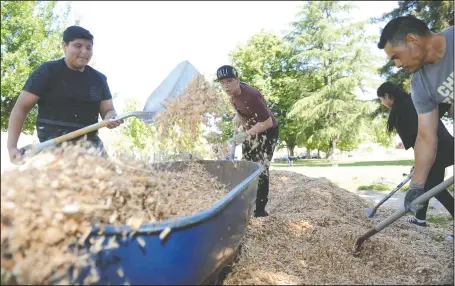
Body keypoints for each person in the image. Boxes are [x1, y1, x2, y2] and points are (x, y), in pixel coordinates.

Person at [7, 26, 122, 163]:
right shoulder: (46, 72)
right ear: (64, 45)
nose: (84, 52)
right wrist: (12, 147)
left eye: (88, 48)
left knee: (111, 179)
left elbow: (108, 110)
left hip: (90, 145)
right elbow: (21, 108)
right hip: (52, 145)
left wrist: (112, 117)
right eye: (78, 46)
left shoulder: (99, 79)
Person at [377, 16, 454, 211]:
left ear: (412, 40)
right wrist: (417, 185)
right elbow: (426, 136)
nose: (397, 65)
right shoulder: (421, 85)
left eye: (396, 56)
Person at [377, 82, 454, 226]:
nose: (382, 103)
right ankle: (420, 218)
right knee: (429, 184)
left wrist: (420, 164)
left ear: (387, 95)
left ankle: (424, 217)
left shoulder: (399, 111)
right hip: (447, 145)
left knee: (432, 186)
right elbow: (441, 107)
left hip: (437, 150)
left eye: (381, 99)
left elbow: (418, 139)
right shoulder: (415, 99)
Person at [216, 65, 279, 217]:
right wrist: (238, 116)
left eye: (229, 81)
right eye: (222, 82)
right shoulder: (232, 95)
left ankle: (260, 211)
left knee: (260, 169)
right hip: (251, 132)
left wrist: (244, 135)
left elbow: (267, 122)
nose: (226, 85)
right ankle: (246, 206)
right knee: (245, 166)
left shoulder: (251, 95)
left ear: (237, 80)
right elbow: (243, 112)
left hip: (267, 132)